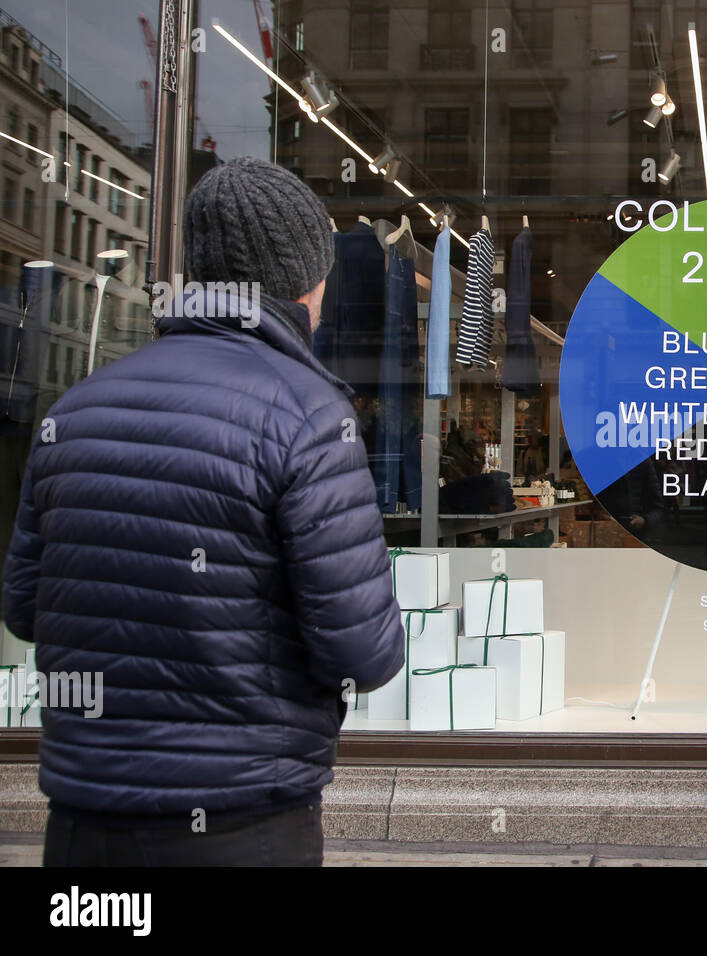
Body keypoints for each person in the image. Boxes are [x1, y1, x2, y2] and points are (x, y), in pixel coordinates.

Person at [2, 157, 406, 866]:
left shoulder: (77, 409)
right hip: (240, 821)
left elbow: (25, 611)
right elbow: (363, 653)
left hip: (81, 820)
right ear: (307, 282)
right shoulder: (309, 417)